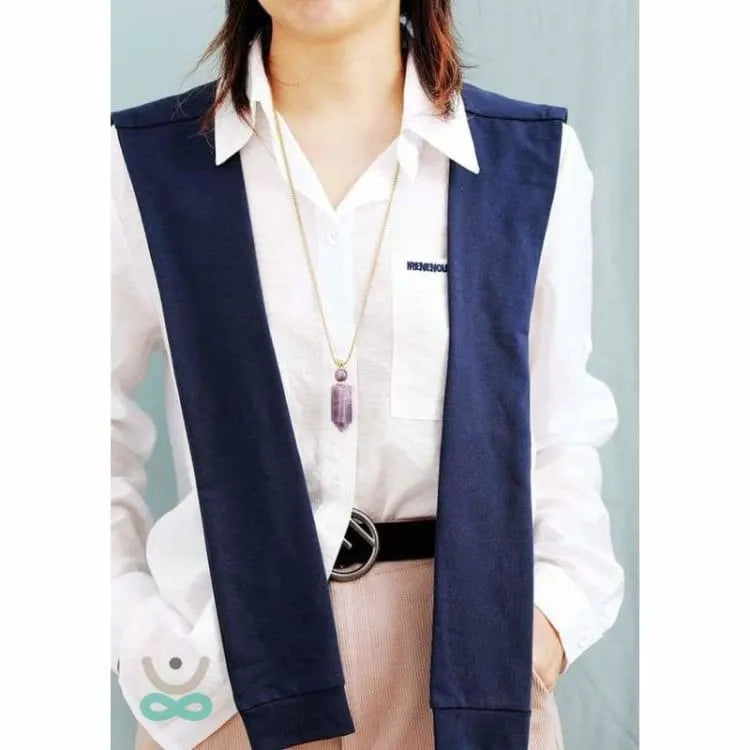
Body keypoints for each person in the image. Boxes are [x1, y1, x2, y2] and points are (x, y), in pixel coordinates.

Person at [111, 1, 625, 749]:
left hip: (468, 669)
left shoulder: (527, 163)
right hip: (225, 672)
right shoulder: (145, 166)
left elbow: (562, 429)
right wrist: (158, 661)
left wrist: (543, 634)